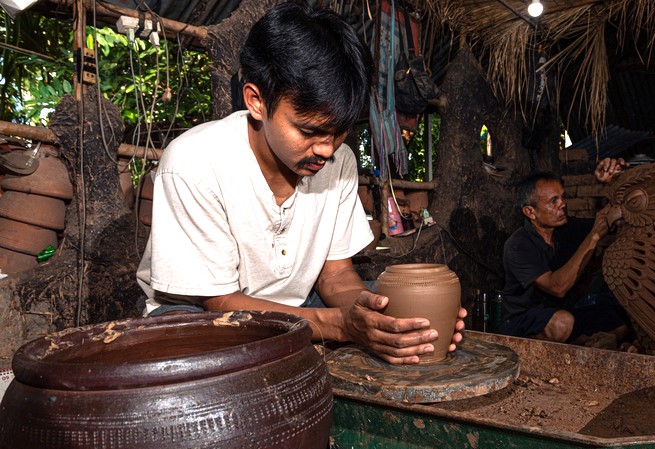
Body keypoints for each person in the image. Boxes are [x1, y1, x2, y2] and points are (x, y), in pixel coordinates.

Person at [136, 2, 464, 364]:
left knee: (388, 308)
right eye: (309, 131)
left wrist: (381, 318)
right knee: (199, 350)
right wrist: (338, 325)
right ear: (257, 101)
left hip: (299, 307)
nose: (326, 148)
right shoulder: (194, 163)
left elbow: (336, 274)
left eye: (339, 132)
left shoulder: (339, 163)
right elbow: (220, 304)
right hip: (201, 314)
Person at [498, 159, 629, 343]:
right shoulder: (517, 245)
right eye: (554, 201)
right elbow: (557, 287)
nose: (563, 204)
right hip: (522, 322)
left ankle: (587, 344)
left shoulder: (567, 228)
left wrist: (613, 182)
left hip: (565, 313)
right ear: (530, 212)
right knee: (562, 323)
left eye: (562, 196)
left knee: (619, 320)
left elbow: (608, 219)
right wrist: (593, 237)